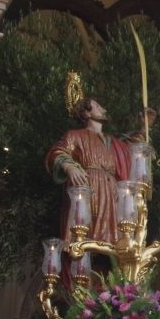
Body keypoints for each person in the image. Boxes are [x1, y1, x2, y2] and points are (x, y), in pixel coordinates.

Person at [46, 92, 134, 244]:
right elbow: (57, 152)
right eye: (98, 107)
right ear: (86, 112)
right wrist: (69, 167)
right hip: (88, 187)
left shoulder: (115, 143)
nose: (103, 110)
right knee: (85, 236)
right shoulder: (75, 135)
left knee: (112, 242)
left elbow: (133, 152)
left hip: (111, 192)